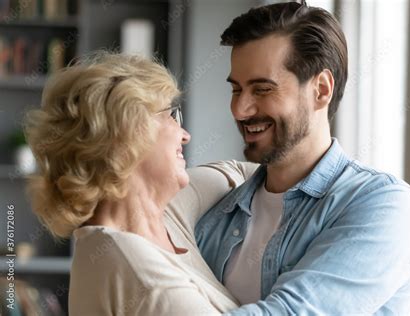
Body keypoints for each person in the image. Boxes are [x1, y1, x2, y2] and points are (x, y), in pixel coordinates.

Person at [194, 1, 410, 315]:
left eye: (262, 89)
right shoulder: (217, 218)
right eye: (237, 90)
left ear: (321, 89)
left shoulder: (384, 206)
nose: (240, 109)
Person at [24, 52, 257, 315]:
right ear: (127, 132)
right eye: (170, 115)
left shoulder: (166, 211)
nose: (185, 135)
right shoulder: (136, 271)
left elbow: (243, 172)